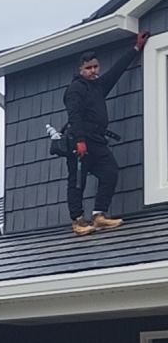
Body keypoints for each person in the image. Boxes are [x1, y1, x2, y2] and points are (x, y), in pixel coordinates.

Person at [63, 31, 150, 236]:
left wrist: (136, 48)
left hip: (97, 141)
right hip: (79, 141)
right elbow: (74, 116)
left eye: (95, 67)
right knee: (78, 180)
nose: (93, 71)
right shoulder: (76, 89)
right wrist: (80, 141)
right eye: (89, 68)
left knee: (110, 171)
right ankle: (78, 221)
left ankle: (99, 215)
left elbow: (117, 71)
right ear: (80, 70)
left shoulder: (98, 86)